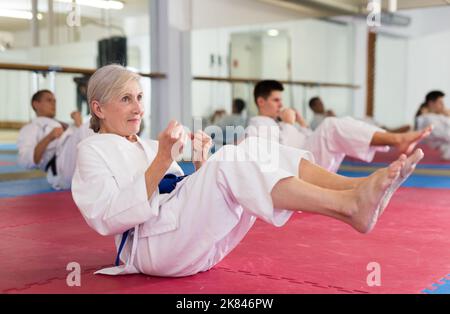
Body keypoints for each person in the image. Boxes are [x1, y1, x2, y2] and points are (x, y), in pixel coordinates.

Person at [72, 64, 423, 277]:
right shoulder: (90, 151)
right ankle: (348, 206)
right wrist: (164, 159)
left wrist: (200, 163)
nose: (137, 108)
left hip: (189, 246)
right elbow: (107, 218)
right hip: (152, 253)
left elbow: (192, 197)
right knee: (235, 157)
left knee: (254, 148)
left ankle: (354, 188)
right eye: (126, 99)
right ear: (98, 107)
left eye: (139, 98)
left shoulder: (146, 145)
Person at [246, 80, 432, 173]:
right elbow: (275, 157)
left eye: (281, 100)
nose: (280, 104)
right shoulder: (257, 125)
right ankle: (395, 139)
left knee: (346, 123)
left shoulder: (278, 123)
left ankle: (391, 140)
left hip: (309, 160)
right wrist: (287, 124)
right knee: (330, 125)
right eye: (276, 100)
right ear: (261, 102)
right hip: (295, 168)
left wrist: (301, 124)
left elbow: (307, 139)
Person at [17, 89, 93, 189]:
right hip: (60, 168)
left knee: (96, 125)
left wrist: (77, 123)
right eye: (49, 100)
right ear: (36, 104)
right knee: (92, 124)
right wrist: (49, 138)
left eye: (54, 101)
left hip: (76, 163)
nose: (53, 104)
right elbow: (26, 160)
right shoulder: (31, 128)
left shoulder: (61, 124)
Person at [416, 91, 450, 160]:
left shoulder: (438, 115)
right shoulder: (428, 119)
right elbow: (445, 135)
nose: (443, 105)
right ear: (431, 103)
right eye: (440, 102)